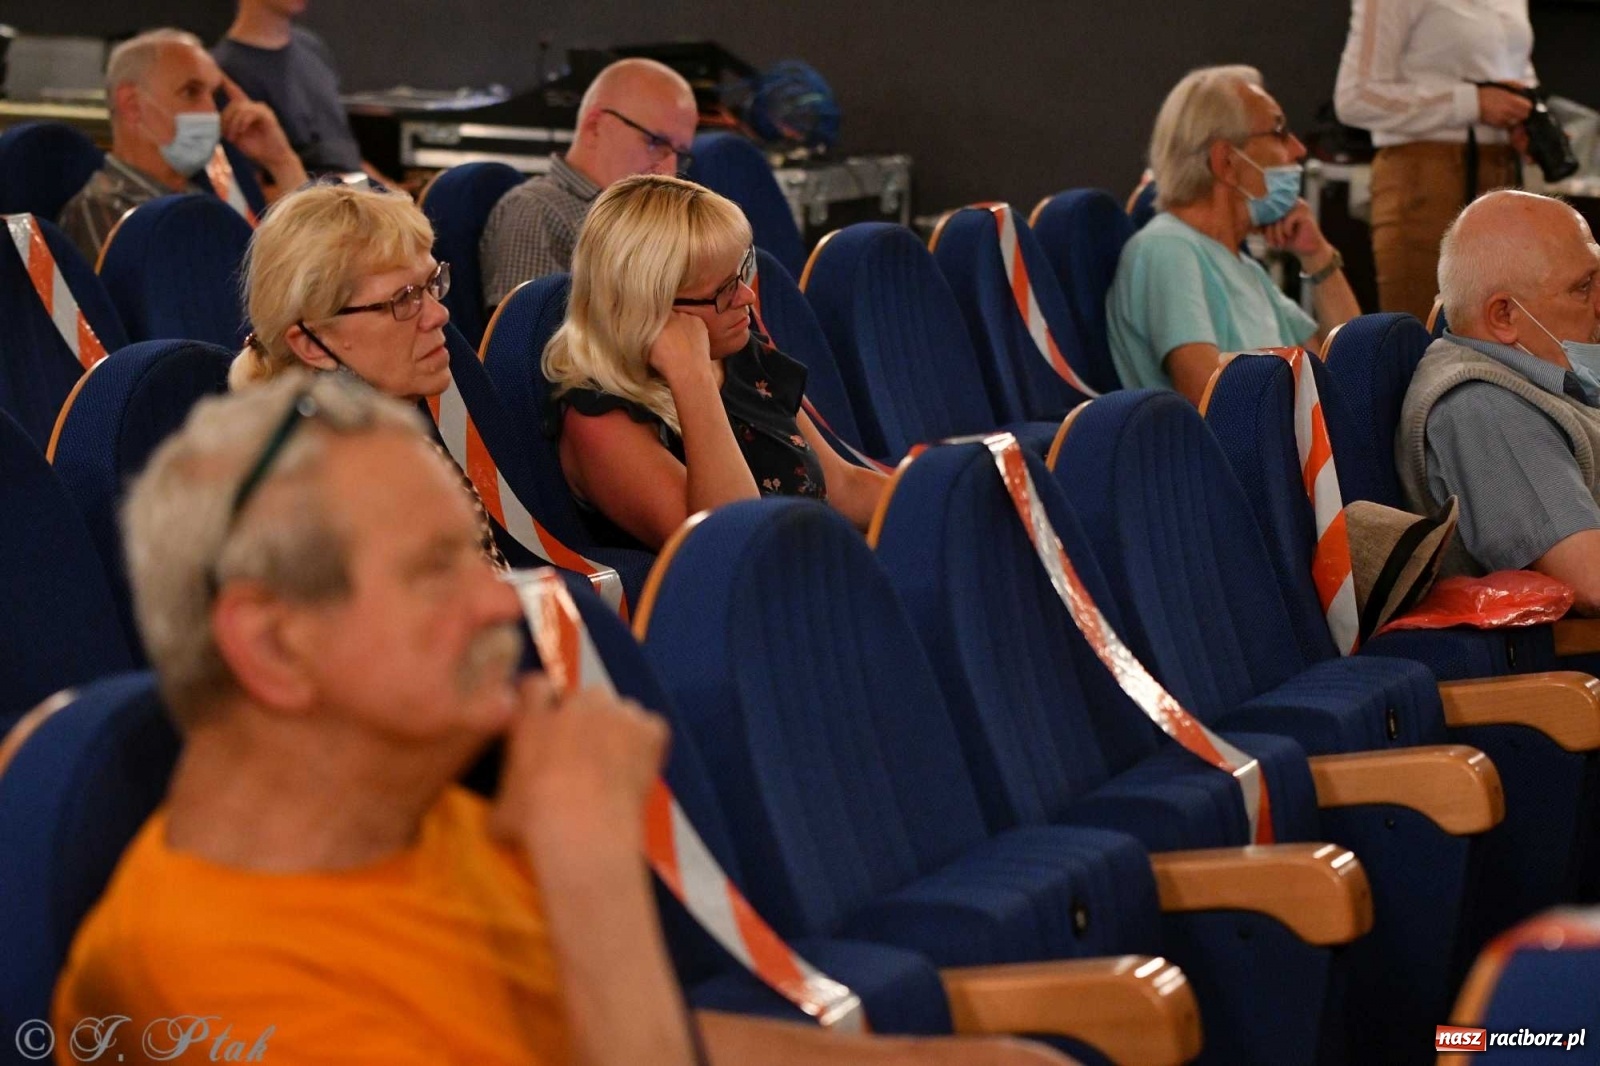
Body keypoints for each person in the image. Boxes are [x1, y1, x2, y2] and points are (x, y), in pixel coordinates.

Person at [53, 372, 1074, 1066]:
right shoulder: (201, 976)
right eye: (430, 571)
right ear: (272, 645)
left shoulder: (417, 813)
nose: (503, 603)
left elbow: (629, 1031)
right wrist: (591, 863)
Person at [543, 174, 887, 552]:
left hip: (818, 568)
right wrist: (692, 379)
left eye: (742, 272)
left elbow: (841, 488)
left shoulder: (736, 354)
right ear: (650, 310)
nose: (745, 297)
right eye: (722, 291)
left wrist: (941, 499)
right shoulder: (600, 421)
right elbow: (731, 544)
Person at [1106, 65, 1361, 405]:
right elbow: (1212, 400)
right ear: (1226, 161)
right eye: (1279, 132)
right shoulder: (1167, 249)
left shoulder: (1244, 267)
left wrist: (1316, 256)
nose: (1299, 149)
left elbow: (1350, 370)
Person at [1396, 190, 1600, 613]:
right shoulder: (1485, 407)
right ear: (1504, 316)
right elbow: (1591, 580)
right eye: (1583, 288)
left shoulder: (1547, 368)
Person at [1334, 0, 1536, 321]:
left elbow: (1517, 69)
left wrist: (1525, 118)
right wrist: (1471, 102)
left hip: (1501, 177)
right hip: (1424, 180)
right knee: (1424, 338)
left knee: (1509, 334)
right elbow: (1356, 96)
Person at [58, 28, 307, 264]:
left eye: (214, 95)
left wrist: (281, 160)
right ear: (132, 104)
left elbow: (310, 268)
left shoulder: (205, 195)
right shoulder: (102, 207)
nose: (212, 111)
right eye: (191, 92)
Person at [479, 58, 698, 309]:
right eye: (655, 142)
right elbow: (528, 342)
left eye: (680, 154)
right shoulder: (535, 212)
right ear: (594, 126)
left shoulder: (646, 219)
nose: (669, 171)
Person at [213, 0, 371, 178]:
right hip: (310, 200)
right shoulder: (227, 72)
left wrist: (391, 194)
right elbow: (251, 189)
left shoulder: (311, 47)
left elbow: (347, 161)